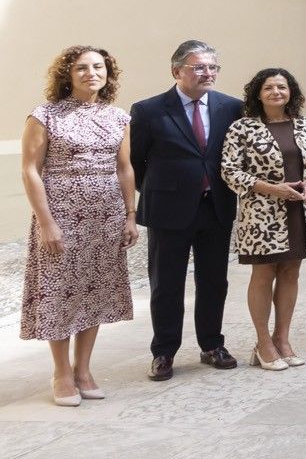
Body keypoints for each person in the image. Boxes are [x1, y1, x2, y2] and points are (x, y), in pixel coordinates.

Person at [21, 46, 137, 406]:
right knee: (60, 292)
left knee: (95, 291)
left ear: (108, 73)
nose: (91, 73)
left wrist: (130, 215)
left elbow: (124, 168)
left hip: (106, 219)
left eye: (98, 67)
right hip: (61, 217)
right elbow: (30, 170)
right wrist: (46, 223)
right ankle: (61, 373)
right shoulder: (45, 115)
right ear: (67, 75)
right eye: (82, 68)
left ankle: (83, 369)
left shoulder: (118, 118)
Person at [132, 39, 244, 380]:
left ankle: (212, 344)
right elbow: (135, 163)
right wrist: (165, 191)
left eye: (212, 67)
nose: (207, 73)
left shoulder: (231, 107)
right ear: (176, 71)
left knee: (214, 281)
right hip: (168, 211)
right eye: (199, 67)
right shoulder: (149, 110)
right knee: (166, 284)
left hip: (216, 208)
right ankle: (164, 352)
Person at [223, 66, 306, 371]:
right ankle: (263, 342)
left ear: (291, 91)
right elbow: (229, 170)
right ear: (258, 93)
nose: (276, 92)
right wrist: (271, 188)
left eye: (282, 87)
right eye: (269, 88)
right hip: (262, 215)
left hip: (300, 210)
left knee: (291, 272)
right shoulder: (242, 128)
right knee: (264, 274)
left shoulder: (304, 125)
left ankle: (283, 339)